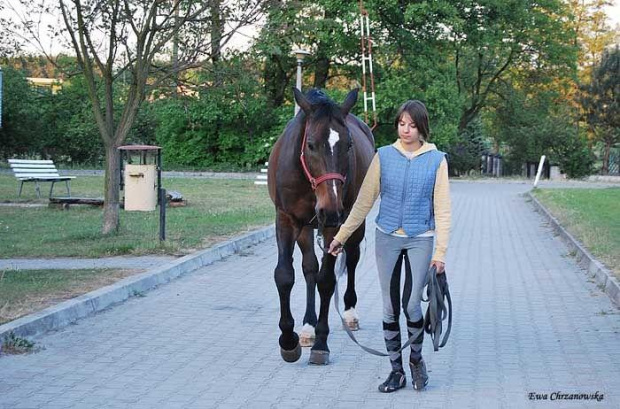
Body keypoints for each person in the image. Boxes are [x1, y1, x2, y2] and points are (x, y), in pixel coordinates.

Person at [328, 100, 451, 393]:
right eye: (401, 124)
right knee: (388, 306)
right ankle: (396, 371)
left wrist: (440, 253)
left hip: (421, 237)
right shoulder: (383, 156)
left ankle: (416, 360)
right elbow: (363, 203)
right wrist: (341, 236)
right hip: (387, 236)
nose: (406, 130)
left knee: (411, 305)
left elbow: (443, 209)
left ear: (422, 128)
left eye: (412, 125)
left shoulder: (437, 160)